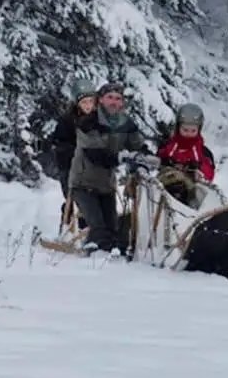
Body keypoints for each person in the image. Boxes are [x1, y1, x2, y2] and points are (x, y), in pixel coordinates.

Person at [68, 82, 153, 255]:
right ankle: (92, 259)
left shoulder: (126, 123)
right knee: (98, 228)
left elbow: (137, 144)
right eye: (110, 97)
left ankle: (114, 257)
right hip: (83, 183)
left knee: (114, 230)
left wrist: (144, 157)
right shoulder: (88, 122)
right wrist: (121, 157)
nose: (114, 102)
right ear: (100, 100)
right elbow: (96, 154)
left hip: (107, 186)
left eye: (118, 98)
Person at [50, 79, 97, 224]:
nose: (88, 106)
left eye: (91, 101)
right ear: (77, 103)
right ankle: (70, 225)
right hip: (71, 169)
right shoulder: (67, 121)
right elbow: (60, 146)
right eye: (84, 102)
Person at [157, 103, 216, 209]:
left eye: (193, 131)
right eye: (185, 130)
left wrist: (197, 170)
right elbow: (157, 159)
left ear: (199, 130)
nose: (188, 134)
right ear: (178, 127)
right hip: (165, 189)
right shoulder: (168, 146)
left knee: (201, 193)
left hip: (191, 195)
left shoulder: (203, 152)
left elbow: (209, 172)